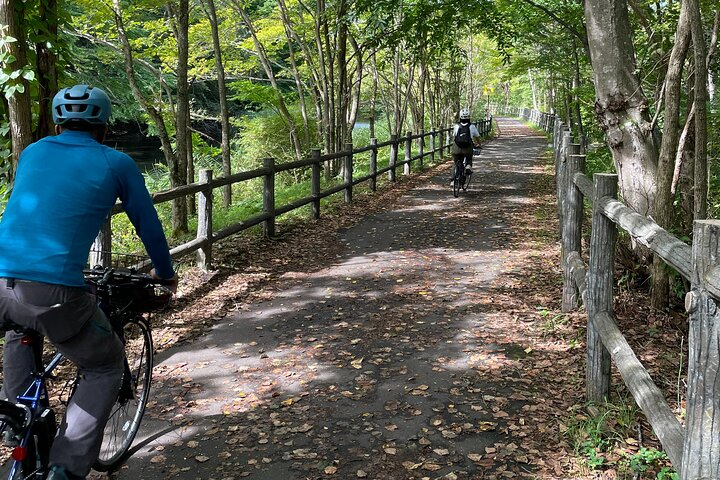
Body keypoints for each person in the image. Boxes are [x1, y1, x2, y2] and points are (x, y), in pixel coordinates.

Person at [0, 85, 177, 480]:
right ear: (104, 125)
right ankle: (65, 469)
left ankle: (21, 429)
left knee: (19, 330)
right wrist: (165, 275)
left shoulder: (32, 152)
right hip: (52, 290)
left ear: (58, 121)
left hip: (1, 280)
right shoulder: (115, 163)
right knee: (104, 365)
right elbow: (148, 226)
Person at [451, 107, 481, 180]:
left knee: (455, 163)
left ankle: (453, 180)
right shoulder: (472, 126)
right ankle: (468, 166)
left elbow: (454, 136)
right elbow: (477, 137)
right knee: (469, 158)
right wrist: (479, 144)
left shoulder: (456, 126)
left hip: (456, 148)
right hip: (467, 148)